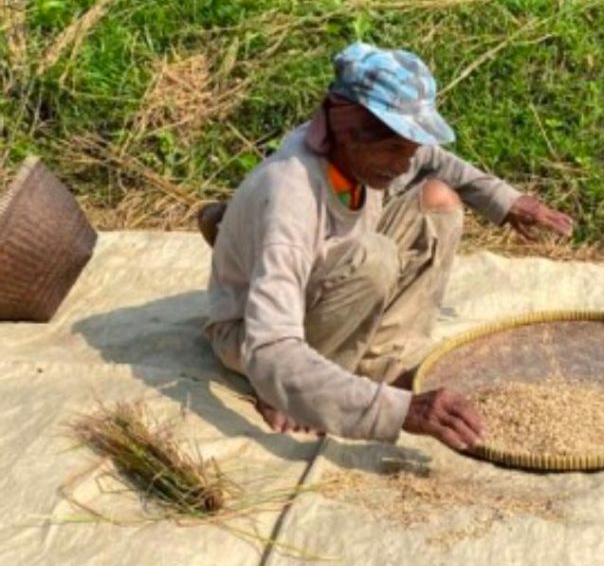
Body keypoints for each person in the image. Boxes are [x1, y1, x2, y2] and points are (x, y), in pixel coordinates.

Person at [200, 43, 573, 452]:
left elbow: (437, 161)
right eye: (395, 149)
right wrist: (398, 413)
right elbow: (268, 346)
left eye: (409, 149)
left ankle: (383, 363)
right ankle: (302, 393)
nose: (404, 163)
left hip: (326, 274)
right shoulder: (292, 193)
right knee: (373, 257)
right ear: (347, 129)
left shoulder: (367, 147)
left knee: (438, 201)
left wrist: (506, 201)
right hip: (254, 336)